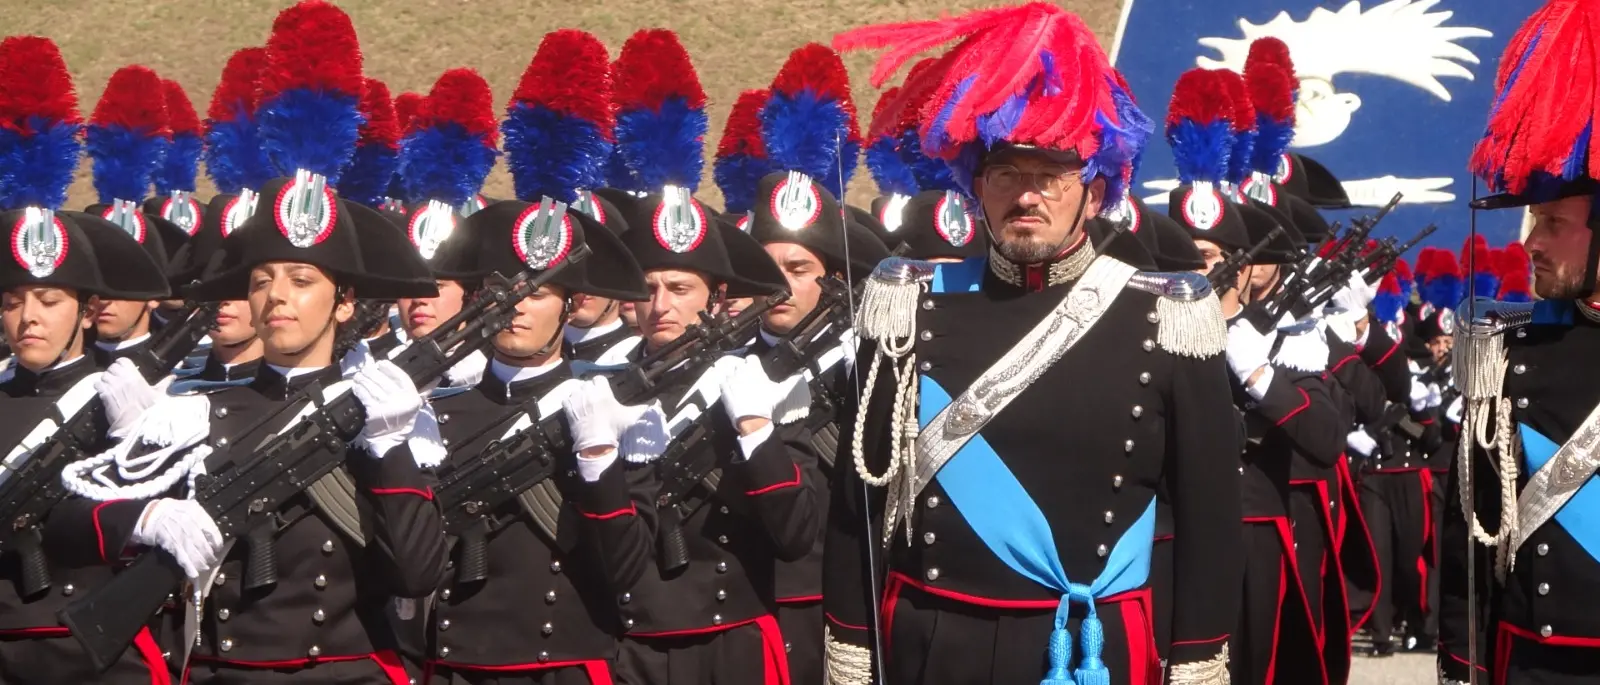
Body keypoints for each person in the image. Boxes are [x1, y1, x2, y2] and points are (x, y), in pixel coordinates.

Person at [824, 8, 1243, 684]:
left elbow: (1210, 517)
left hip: (1089, 647)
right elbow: (858, 507)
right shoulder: (908, 303)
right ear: (974, 185)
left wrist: (1197, 660)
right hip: (933, 643)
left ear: (1096, 185)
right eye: (1005, 173)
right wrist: (851, 652)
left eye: (1051, 172)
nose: (1027, 194)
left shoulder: (1167, 315)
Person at [422, 197, 648, 685]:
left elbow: (627, 569)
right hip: (454, 669)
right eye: (501, 291)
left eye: (538, 293)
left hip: (563, 669)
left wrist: (599, 460)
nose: (517, 306)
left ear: (571, 304)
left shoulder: (608, 407)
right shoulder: (437, 412)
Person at [1440, 3, 1600, 680]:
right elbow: (1468, 533)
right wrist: (1460, 654)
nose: (1530, 241)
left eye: (1554, 221)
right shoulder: (1511, 349)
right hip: (1528, 658)